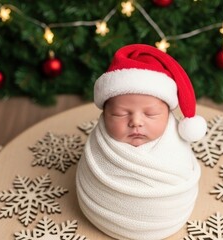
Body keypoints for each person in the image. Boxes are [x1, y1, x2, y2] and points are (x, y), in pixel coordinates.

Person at [76, 44, 207, 240]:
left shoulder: (174, 147)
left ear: (168, 113)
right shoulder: (100, 147)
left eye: (151, 113)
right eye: (120, 114)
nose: (136, 122)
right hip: (102, 213)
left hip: (169, 217)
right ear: (104, 114)